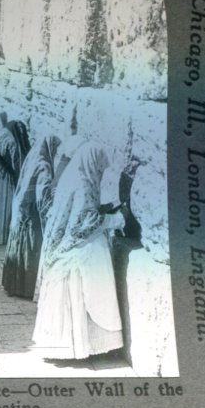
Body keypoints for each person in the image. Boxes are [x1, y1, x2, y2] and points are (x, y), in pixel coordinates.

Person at [33, 142, 124, 359]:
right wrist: (118, 219)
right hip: (74, 249)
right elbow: (83, 223)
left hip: (60, 247)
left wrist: (105, 208)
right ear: (92, 163)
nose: (100, 172)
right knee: (96, 254)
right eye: (99, 167)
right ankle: (88, 344)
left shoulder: (73, 176)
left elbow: (79, 212)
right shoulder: (83, 184)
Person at [3, 134, 60, 299]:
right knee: (31, 249)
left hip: (22, 212)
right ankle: (26, 287)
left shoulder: (32, 161)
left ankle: (14, 285)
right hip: (32, 215)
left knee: (19, 248)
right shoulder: (44, 166)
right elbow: (42, 195)